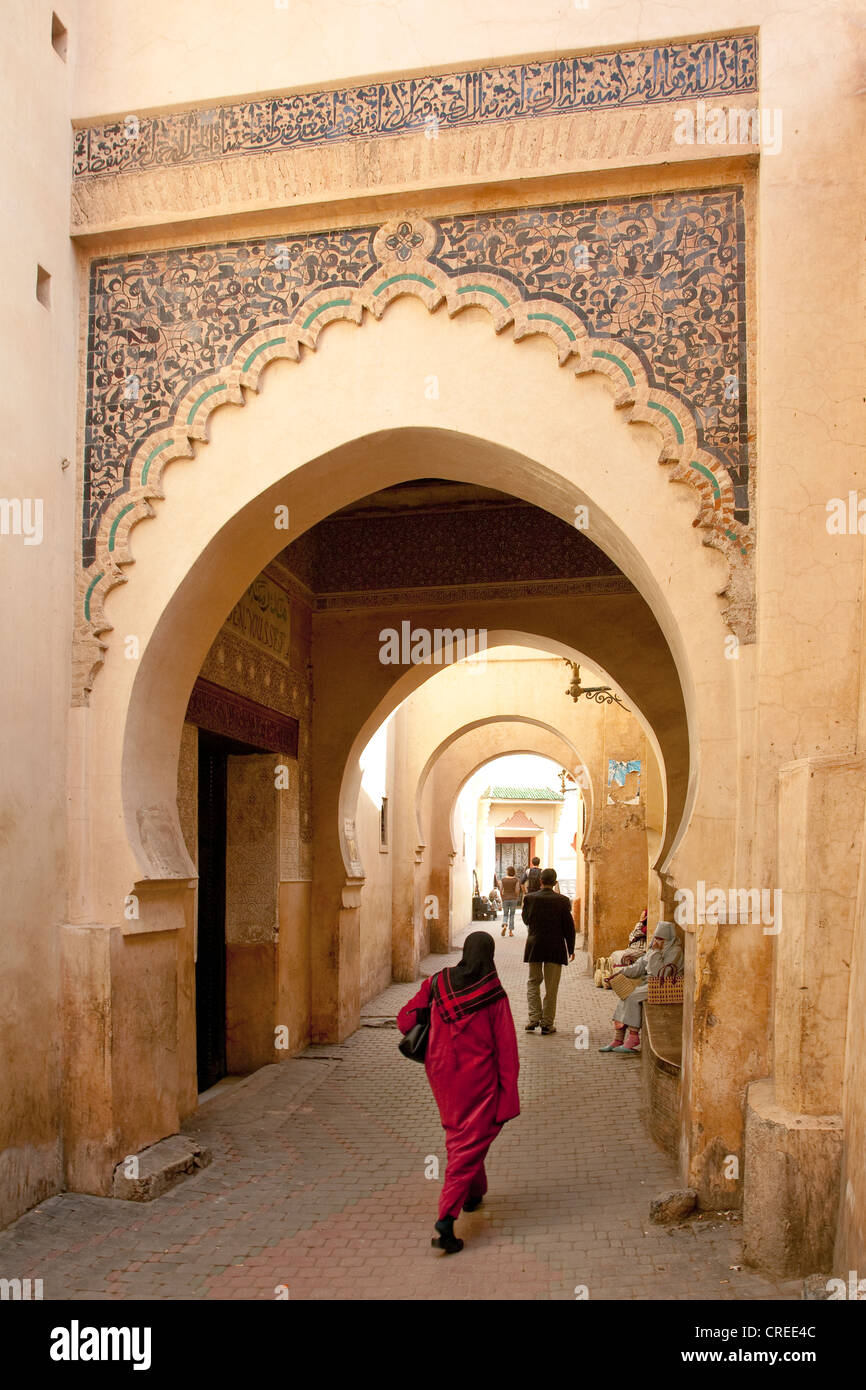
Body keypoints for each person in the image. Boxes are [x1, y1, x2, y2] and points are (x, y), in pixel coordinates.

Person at [396, 931, 520, 1254]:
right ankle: (445, 1222)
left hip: (441, 1076)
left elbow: (403, 1019)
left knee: (463, 1134)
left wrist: (428, 1017)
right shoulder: (494, 995)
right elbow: (507, 1053)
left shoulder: (438, 982)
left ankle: (474, 1193)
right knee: (469, 1140)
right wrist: (508, 1095)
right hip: (477, 1081)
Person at [599, 919, 684, 1054]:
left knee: (632, 997)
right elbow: (639, 967)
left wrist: (656, 953)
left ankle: (633, 1037)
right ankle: (618, 1039)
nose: (657, 941)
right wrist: (619, 972)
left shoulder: (675, 951)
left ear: (668, 939)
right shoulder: (653, 949)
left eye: (661, 939)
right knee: (625, 996)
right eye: (656, 938)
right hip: (649, 983)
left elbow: (660, 973)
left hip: (662, 985)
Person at [521, 868, 575, 1034]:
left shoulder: (530, 898)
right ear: (555, 882)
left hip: (535, 945)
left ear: (540, 881)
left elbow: (525, 919)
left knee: (533, 982)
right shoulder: (563, 900)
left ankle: (533, 1018)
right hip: (555, 948)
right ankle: (547, 1023)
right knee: (551, 987)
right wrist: (571, 948)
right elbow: (569, 927)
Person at [499, 865, 521, 936]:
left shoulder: (503, 880)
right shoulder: (516, 880)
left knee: (505, 914)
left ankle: (505, 924)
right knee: (512, 915)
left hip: (505, 898)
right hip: (513, 899)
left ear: (507, 872)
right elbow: (517, 890)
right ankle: (510, 932)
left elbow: (501, 889)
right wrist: (516, 897)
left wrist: (502, 897)